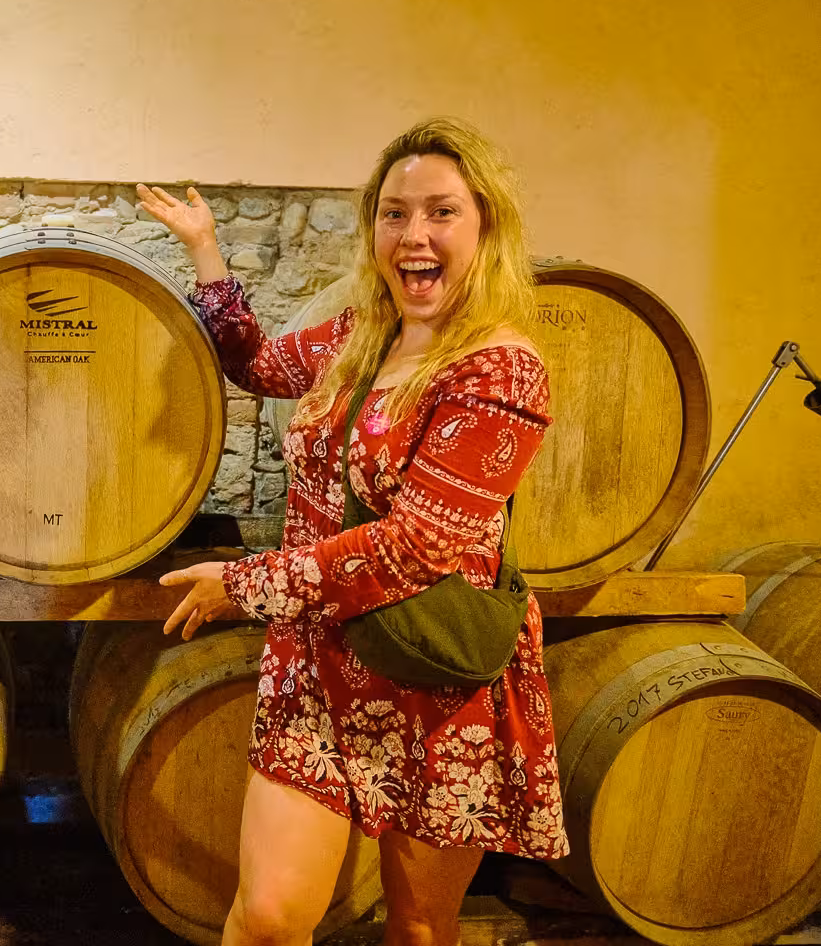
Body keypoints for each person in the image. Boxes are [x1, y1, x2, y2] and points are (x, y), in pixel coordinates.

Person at [139, 117, 568, 946]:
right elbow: (256, 365)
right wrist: (205, 251)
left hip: (431, 671)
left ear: (486, 225)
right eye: (394, 213)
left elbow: (417, 547)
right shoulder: (360, 337)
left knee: (417, 927)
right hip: (315, 663)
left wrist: (242, 585)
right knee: (266, 918)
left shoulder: (500, 367)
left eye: (442, 212)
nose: (415, 235)